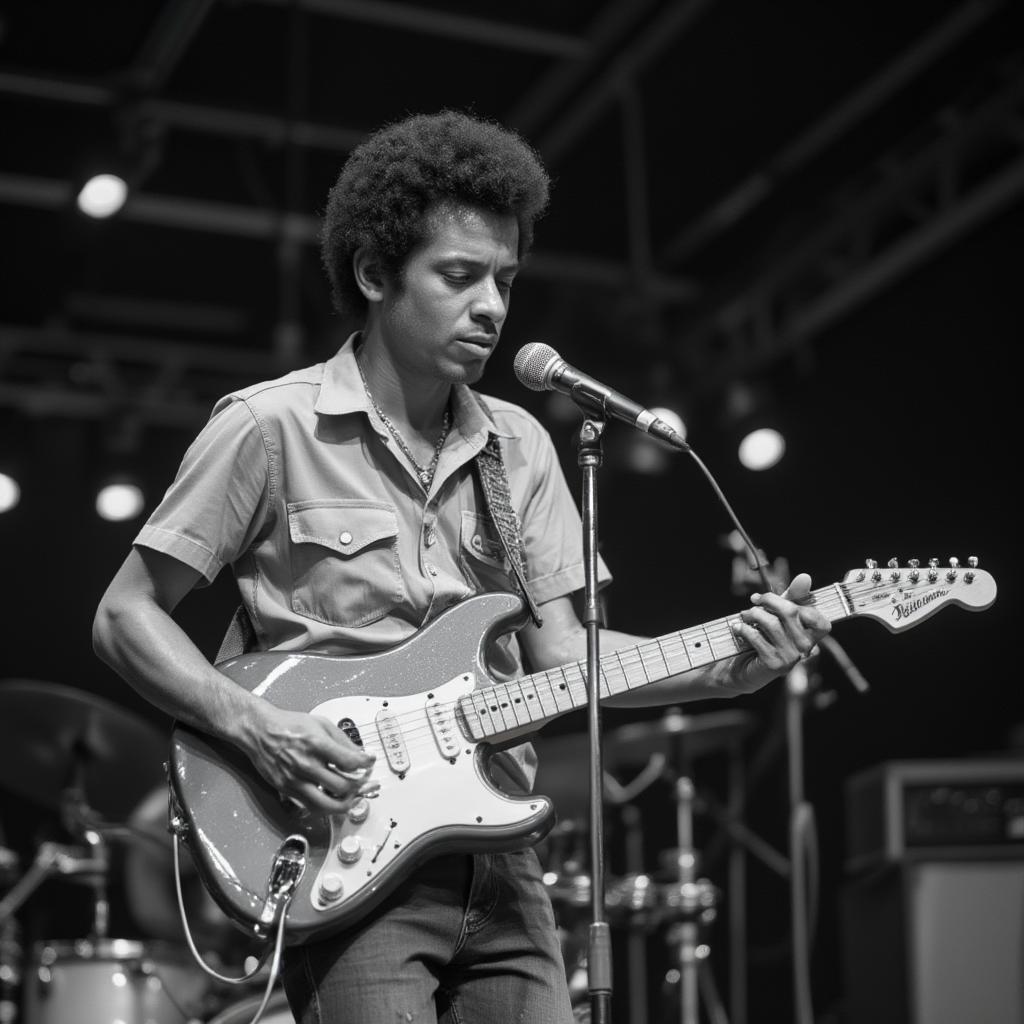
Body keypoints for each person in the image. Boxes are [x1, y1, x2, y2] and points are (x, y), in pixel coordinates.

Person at [92, 109, 831, 1024]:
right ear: (374, 274)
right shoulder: (267, 427)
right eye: (459, 276)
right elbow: (125, 616)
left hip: (503, 849)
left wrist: (729, 668)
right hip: (344, 840)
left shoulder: (520, 445)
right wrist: (254, 727)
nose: (492, 305)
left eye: (506, 280)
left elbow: (564, 656)